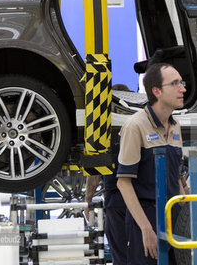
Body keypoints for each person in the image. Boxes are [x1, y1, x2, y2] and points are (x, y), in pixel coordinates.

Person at [116, 63, 186, 265]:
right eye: (175, 83)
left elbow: (176, 176)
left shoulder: (175, 125)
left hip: (174, 216)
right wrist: (146, 230)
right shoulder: (135, 126)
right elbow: (124, 183)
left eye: (182, 82)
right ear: (157, 91)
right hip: (146, 217)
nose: (183, 88)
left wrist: (189, 214)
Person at [84, 84, 132, 265]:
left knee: (120, 253)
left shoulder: (103, 130)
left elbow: (95, 172)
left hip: (116, 201)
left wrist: (87, 200)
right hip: (142, 199)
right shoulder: (141, 125)